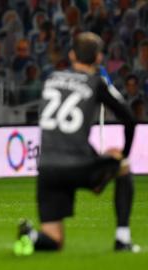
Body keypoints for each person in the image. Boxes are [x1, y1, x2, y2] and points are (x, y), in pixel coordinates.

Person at [14, 32, 139, 256]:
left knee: (54, 240)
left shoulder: (51, 79)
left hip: (48, 168)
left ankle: (31, 236)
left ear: (72, 55)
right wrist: (123, 155)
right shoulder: (96, 82)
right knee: (123, 168)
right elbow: (129, 119)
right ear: (99, 58)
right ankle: (122, 238)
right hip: (78, 166)